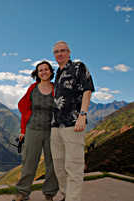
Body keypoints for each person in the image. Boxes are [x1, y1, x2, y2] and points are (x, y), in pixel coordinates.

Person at [50, 41, 95, 201]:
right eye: (56, 52)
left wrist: (82, 115)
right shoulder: (57, 73)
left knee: (74, 166)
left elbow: (87, 90)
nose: (59, 54)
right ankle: (64, 192)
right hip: (55, 125)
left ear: (69, 52)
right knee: (59, 164)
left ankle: (72, 198)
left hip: (73, 124)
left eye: (63, 51)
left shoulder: (78, 67)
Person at [13, 61, 59, 201]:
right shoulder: (33, 88)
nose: (43, 72)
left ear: (51, 72)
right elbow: (24, 108)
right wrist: (23, 130)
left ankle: (50, 193)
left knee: (52, 163)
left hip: (52, 131)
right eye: (40, 70)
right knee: (29, 161)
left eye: (46, 69)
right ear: (37, 73)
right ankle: (23, 192)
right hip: (33, 129)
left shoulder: (56, 89)